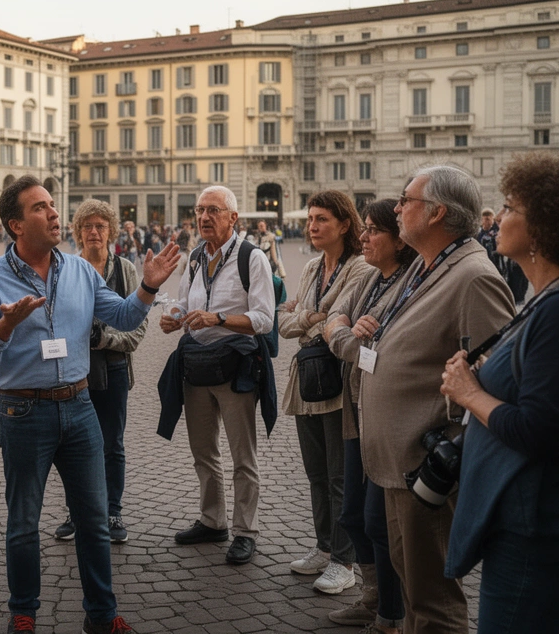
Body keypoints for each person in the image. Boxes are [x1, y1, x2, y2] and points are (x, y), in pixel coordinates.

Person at [0, 176, 179, 634]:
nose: (54, 214)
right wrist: (5, 328)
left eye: (52, 205)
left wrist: (147, 288)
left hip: (80, 407)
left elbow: (121, 316)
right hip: (23, 413)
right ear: (16, 225)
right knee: (23, 521)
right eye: (41, 208)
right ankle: (23, 613)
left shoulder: (81, 271)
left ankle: (101, 616)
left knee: (94, 519)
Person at [441, 154, 559, 634]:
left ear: (545, 226)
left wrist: (470, 394)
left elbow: (540, 430)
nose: (499, 218)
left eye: (509, 207)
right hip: (550, 527)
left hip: (546, 535)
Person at [360, 165, 515, 634]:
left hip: (427, 464)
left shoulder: (472, 276)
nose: (399, 207)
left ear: (437, 213)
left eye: (406, 199)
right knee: (412, 588)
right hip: (396, 460)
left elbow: (500, 376)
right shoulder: (427, 264)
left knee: (433, 599)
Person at [157, 186, 276, 566]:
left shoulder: (251, 258)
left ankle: (245, 531)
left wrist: (219, 318)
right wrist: (173, 316)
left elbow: (263, 319)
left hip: (235, 367)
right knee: (203, 451)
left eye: (213, 210)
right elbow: (183, 300)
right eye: (200, 210)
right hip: (197, 367)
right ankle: (213, 520)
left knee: (243, 454)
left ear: (233, 218)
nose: (204, 217)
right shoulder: (194, 258)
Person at [322, 199, 417, 631]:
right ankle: (372, 595)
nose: (364, 237)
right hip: (356, 410)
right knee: (352, 515)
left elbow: (370, 350)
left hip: (383, 416)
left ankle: (390, 613)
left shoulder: (409, 284)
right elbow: (333, 328)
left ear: (399, 240)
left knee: (378, 522)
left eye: (374, 230)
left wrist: (343, 331)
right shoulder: (369, 280)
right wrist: (343, 328)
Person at [277, 191, 370, 593]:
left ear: (345, 224)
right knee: (316, 471)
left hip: (339, 378)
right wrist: (315, 319)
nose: (311, 226)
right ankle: (323, 545)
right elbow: (283, 324)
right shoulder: (313, 266)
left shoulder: (360, 268)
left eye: (321, 220)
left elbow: (339, 324)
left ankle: (343, 561)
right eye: (310, 219)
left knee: (339, 476)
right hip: (307, 377)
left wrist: (309, 318)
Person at [52, 200, 149, 544]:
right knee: (72, 446)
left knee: (112, 444)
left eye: (101, 226)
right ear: (78, 232)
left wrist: (103, 337)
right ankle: (77, 512)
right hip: (74, 372)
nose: (94, 232)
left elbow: (137, 330)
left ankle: (113, 511)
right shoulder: (64, 269)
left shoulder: (125, 270)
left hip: (115, 369)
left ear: (111, 231)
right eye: (88, 226)